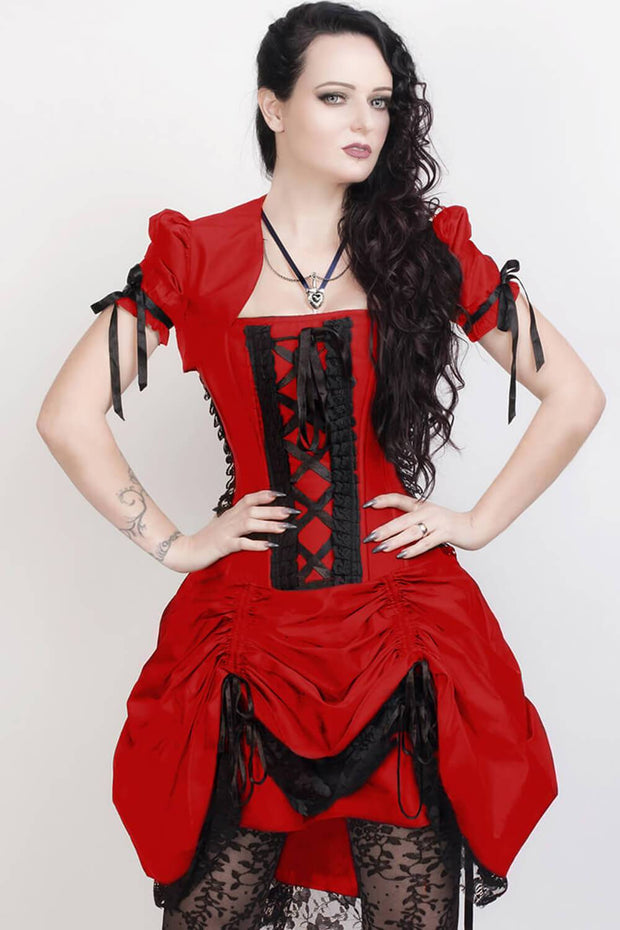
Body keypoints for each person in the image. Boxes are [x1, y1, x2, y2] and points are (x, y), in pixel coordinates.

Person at [37, 3, 606, 930]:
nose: (364, 122)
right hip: (248, 640)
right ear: (274, 106)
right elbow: (66, 416)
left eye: (380, 101)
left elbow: (575, 395)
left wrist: (473, 523)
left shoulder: (422, 252)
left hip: (400, 633)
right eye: (335, 97)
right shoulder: (196, 256)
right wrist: (177, 544)